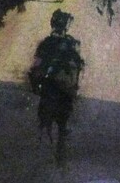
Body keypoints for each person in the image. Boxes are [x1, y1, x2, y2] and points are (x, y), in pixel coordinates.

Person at [28, 9, 85, 161]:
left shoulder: (46, 43)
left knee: (44, 120)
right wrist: (74, 87)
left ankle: (43, 149)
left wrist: (35, 84)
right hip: (64, 89)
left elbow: (36, 66)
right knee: (62, 123)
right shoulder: (72, 44)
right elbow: (78, 68)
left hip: (49, 87)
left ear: (52, 24)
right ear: (67, 26)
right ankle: (59, 151)